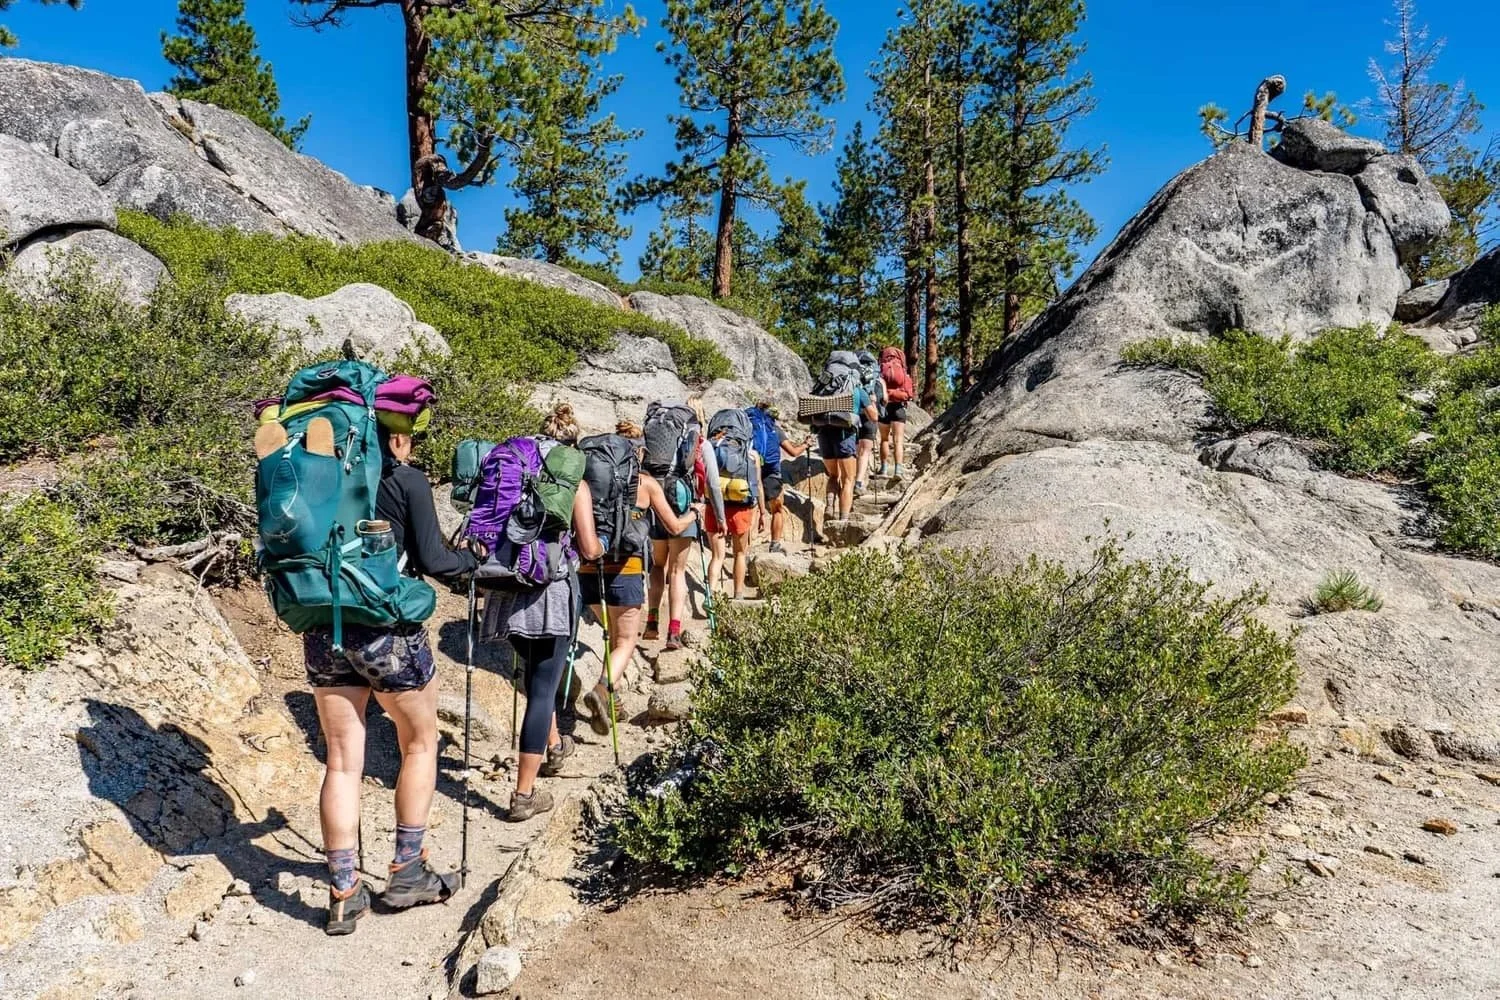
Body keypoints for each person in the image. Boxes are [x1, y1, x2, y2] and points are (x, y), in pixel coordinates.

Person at [298, 425, 483, 936]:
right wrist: (473, 562)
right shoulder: (406, 480)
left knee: (341, 761)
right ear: (396, 441)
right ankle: (406, 871)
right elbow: (434, 559)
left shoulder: (316, 478)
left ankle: (342, 893)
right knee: (420, 743)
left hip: (323, 627)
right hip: (386, 634)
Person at [481, 403, 600, 822]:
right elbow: (588, 549)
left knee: (532, 679)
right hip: (549, 590)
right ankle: (524, 794)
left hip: (504, 583)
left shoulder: (512, 465)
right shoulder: (573, 483)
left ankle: (553, 748)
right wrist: (598, 547)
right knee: (545, 686)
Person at [576, 421, 701, 735]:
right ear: (637, 454)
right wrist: (695, 514)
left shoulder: (586, 482)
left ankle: (612, 700)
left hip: (587, 569)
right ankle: (603, 690)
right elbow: (673, 526)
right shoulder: (644, 484)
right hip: (627, 569)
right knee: (626, 640)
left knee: (612, 635)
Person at [645, 397, 725, 651]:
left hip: (653, 493)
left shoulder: (656, 424)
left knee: (658, 565)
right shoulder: (701, 442)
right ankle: (674, 631)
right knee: (677, 571)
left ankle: (651, 620)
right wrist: (719, 517)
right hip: (680, 499)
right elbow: (712, 484)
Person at [705, 422, 766, 601]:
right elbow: (758, 485)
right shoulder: (752, 455)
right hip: (741, 509)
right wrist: (762, 512)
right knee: (740, 553)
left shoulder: (713, 450)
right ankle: (738, 594)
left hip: (715, 508)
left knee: (717, 556)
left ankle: (711, 594)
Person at [748, 401, 808, 555]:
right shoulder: (775, 429)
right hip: (771, 472)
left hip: (751, 470)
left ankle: (745, 548)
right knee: (777, 509)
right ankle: (775, 544)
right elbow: (793, 452)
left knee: (751, 508)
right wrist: (806, 445)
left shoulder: (748, 427)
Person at [820, 381, 880, 528]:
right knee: (848, 479)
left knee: (833, 475)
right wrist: (871, 401)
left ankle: (829, 504)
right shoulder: (858, 391)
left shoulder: (825, 386)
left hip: (823, 434)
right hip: (844, 435)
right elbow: (874, 416)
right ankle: (843, 521)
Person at [878, 346, 915, 480]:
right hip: (899, 408)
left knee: (884, 439)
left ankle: (883, 468)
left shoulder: (881, 369)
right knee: (898, 441)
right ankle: (898, 470)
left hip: (884, 407)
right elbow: (910, 393)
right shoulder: (903, 372)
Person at [853, 349, 887, 496]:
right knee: (865, 451)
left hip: (853, 415)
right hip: (870, 414)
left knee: (854, 450)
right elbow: (885, 399)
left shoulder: (852, 375)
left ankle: (849, 479)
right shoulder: (878, 378)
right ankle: (859, 482)